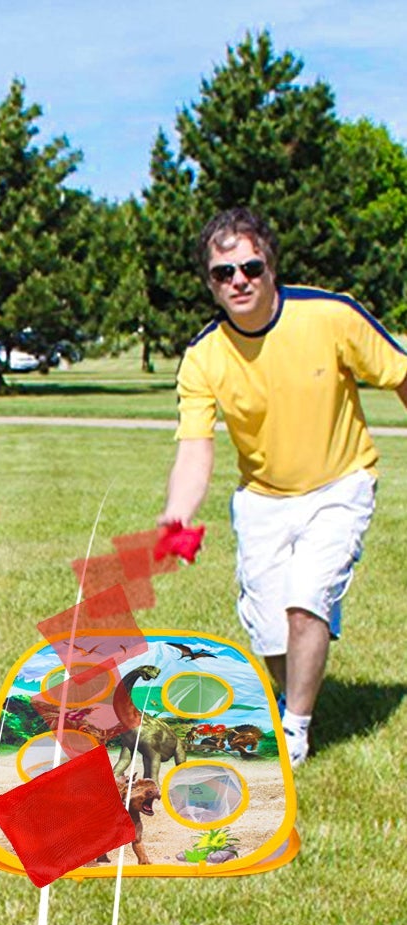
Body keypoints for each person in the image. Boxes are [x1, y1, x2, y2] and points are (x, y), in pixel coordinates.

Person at [160, 206, 407, 765]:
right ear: (211, 284)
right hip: (263, 499)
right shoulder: (203, 357)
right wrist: (177, 512)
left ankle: (294, 729)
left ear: (271, 267)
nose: (239, 280)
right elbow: (196, 448)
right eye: (225, 273)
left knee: (305, 601)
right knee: (272, 630)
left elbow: (399, 373)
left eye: (251, 266)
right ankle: (291, 678)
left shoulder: (330, 316)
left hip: (340, 484)